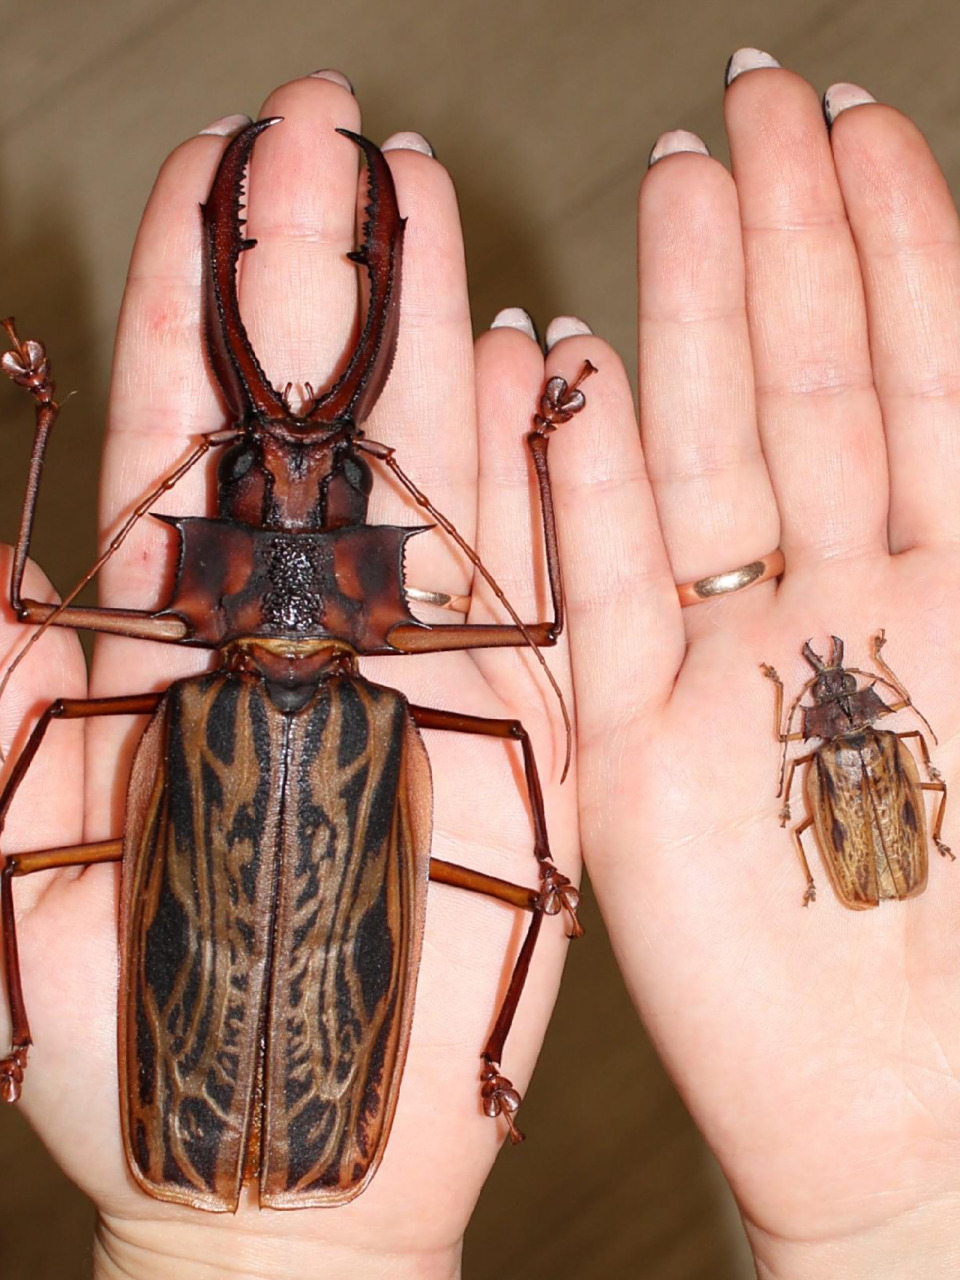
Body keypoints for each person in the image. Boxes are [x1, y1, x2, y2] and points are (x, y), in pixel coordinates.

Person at [2, 50, 957, 1277]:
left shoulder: (192, 704)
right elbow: (537, 656)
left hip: (237, 1042)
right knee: (513, 768)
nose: (296, 470)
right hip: (277, 1025)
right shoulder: (375, 716)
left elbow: (32, 745)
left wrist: (43, 418)